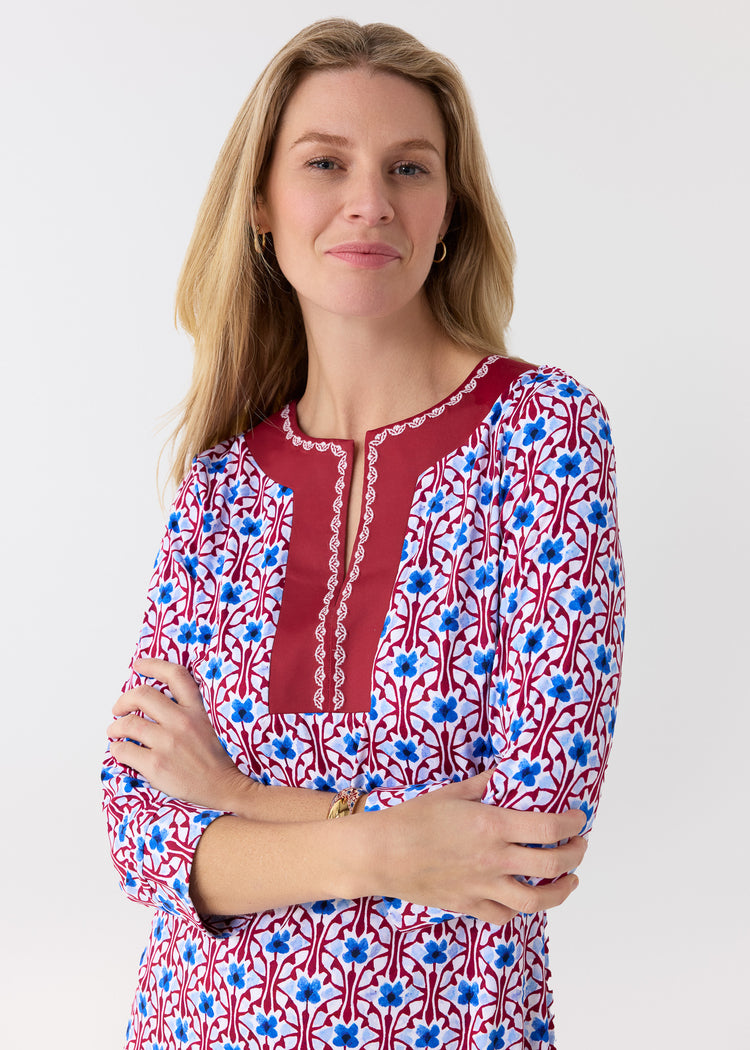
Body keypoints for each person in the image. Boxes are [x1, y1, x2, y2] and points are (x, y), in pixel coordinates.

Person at [102, 18, 624, 1050]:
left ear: (450, 209)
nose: (369, 202)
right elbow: (140, 837)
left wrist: (241, 799)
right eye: (325, 162)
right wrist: (393, 848)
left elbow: (530, 841)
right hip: (196, 1027)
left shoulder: (547, 434)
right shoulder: (219, 487)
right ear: (262, 202)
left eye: (410, 166)